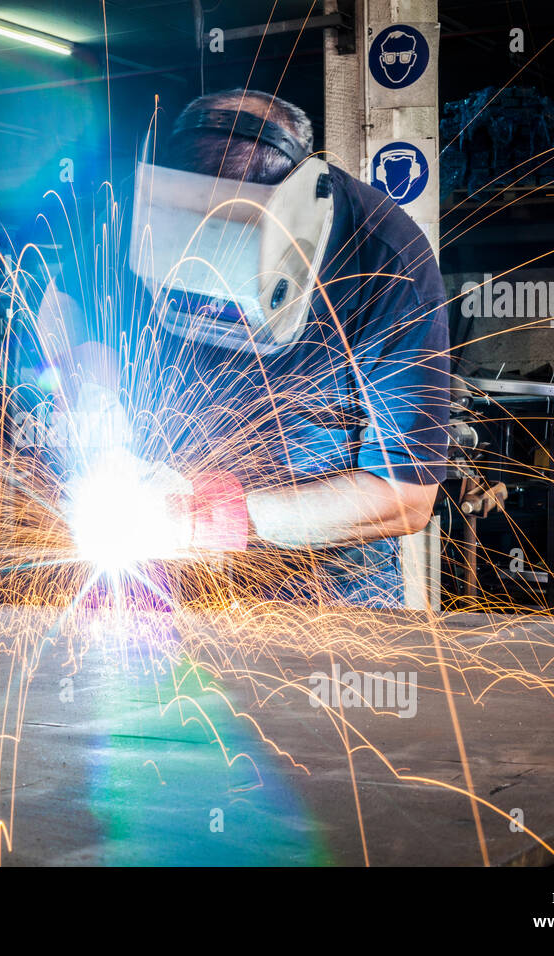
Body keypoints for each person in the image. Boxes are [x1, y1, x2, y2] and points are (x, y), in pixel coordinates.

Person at [124, 88, 450, 608]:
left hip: (325, 579)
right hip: (156, 559)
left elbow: (404, 498)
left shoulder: (386, 255)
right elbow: (68, 311)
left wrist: (218, 517)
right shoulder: (134, 210)